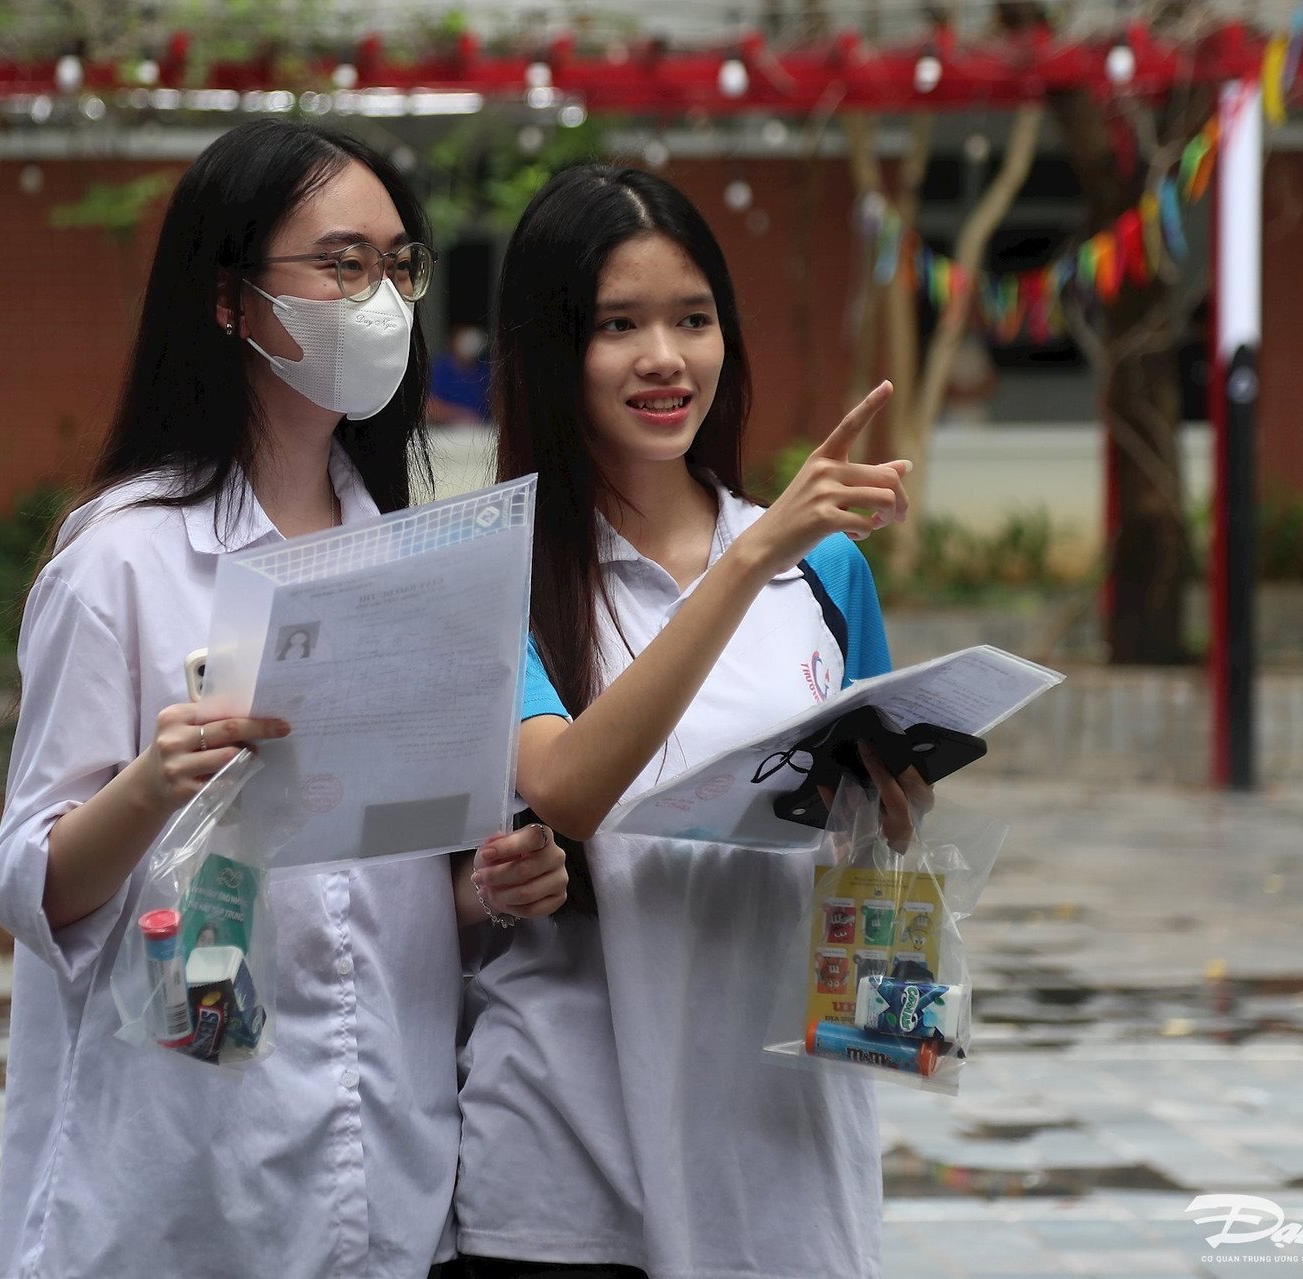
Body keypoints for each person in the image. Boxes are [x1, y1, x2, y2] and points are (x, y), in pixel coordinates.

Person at [0, 119, 566, 1279]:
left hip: (381, 1169)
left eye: (400, 266)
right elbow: (30, 884)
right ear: (231, 300)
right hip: (178, 1178)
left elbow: (390, 883)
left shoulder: (413, 557)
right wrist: (154, 784)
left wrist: (490, 887)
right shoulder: (122, 564)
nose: (383, 299)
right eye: (341, 264)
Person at [453, 165, 927, 1279]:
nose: (665, 357)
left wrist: (893, 801)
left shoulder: (831, 570)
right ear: (550, 348)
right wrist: (751, 553)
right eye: (619, 324)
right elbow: (566, 785)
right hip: (566, 1162)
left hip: (781, 1143)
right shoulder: (492, 576)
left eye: (693, 318)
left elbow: (883, 825)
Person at [429, 323, 493, 423]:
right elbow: (429, 406)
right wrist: (461, 415)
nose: (469, 344)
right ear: (453, 341)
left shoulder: (485, 371)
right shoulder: (441, 369)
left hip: (481, 430)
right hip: (446, 430)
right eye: (465, 340)